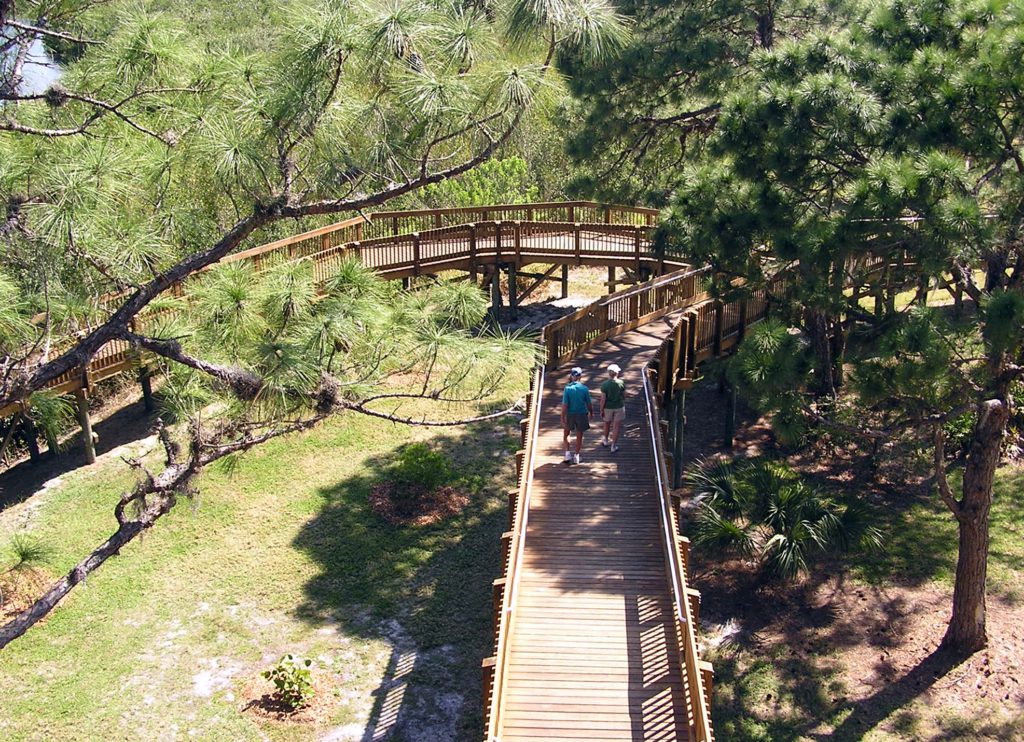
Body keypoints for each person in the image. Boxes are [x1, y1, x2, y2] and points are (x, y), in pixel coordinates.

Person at [561, 366, 593, 465]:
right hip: (581, 414)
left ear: (571, 375)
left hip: (570, 414)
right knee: (579, 435)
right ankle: (577, 456)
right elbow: (588, 404)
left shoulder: (567, 389)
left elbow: (565, 405)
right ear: (580, 376)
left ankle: (567, 453)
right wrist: (591, 412)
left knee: (566, 433)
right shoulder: (584, 389)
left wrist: (562, 416)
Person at [600, 363, 626, 453]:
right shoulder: (621, 383)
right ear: (617, 373)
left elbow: (603, 399)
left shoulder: (604, 385)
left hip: (608, 407)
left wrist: (601, 409)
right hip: (619, 406)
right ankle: (613, 445)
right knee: (616, 426)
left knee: (606, 423)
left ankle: (606, 440)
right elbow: (623, 395)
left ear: (608, 373)